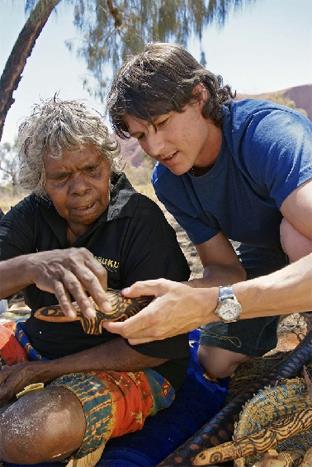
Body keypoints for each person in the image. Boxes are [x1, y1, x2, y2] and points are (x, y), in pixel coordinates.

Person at [0, 97, 191, 465]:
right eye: (60, 178)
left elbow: (155, 346)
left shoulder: (139, 222)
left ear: (108, 163)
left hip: (134, 367)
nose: (80, 187)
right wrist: (29, 265)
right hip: (36, 346)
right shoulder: (32, 215)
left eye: (91, 169)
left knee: (22, 433)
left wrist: (43, 372)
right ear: (41, 181)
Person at [106, 42, 312, 379]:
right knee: (214, 360)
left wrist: (213, 303)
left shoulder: (267, 135)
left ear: (199, 97)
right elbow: (225, 272)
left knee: (296, 234)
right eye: (141, 135)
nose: (154, 147)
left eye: (162, 123)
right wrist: (173, 296)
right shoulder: (171, 181)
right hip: (264, 249)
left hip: (301, 237)